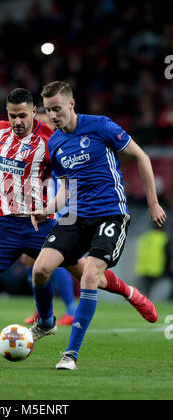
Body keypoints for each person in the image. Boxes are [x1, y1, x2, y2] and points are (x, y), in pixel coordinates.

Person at [0, 60, 159, 363]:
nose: (17, 121)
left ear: (35, 111)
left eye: (23, 115)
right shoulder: (0, 132)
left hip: (42, 225)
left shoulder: (52, 139)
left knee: (92, 276)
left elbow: (75, 169)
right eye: (12, 115)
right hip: (4, 227)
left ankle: (130, 294)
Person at [30, 81, 167, 371]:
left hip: (110, 215)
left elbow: (141, 156)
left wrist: (153, 202)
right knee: (40, 270)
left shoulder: (101, 126)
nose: (53, 116)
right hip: (76, 216)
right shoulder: (55, 142)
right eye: (48, 110)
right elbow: (66, 189)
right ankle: (47, 322)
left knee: (90, 275)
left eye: (57, 109)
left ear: (71, 104)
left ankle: (71, 355)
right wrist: (47, 210)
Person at [23, 108, 77, 326]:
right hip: (43, 205)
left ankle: (70, 310)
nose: (43, 127)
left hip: (60, 208)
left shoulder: (58, 146)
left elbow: (66, 183)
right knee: (30, 257)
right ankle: (43, 309)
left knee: (58, 260)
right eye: (40, 122)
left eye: (47, 122)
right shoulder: (38, 145)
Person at [135, 225, 171, 298]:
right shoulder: (163, 237)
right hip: (157, 267)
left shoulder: (146, 236)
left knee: (146, 287)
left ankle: (143, 299)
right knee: (150, 287)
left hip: (144, 266)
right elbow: (168, 253)